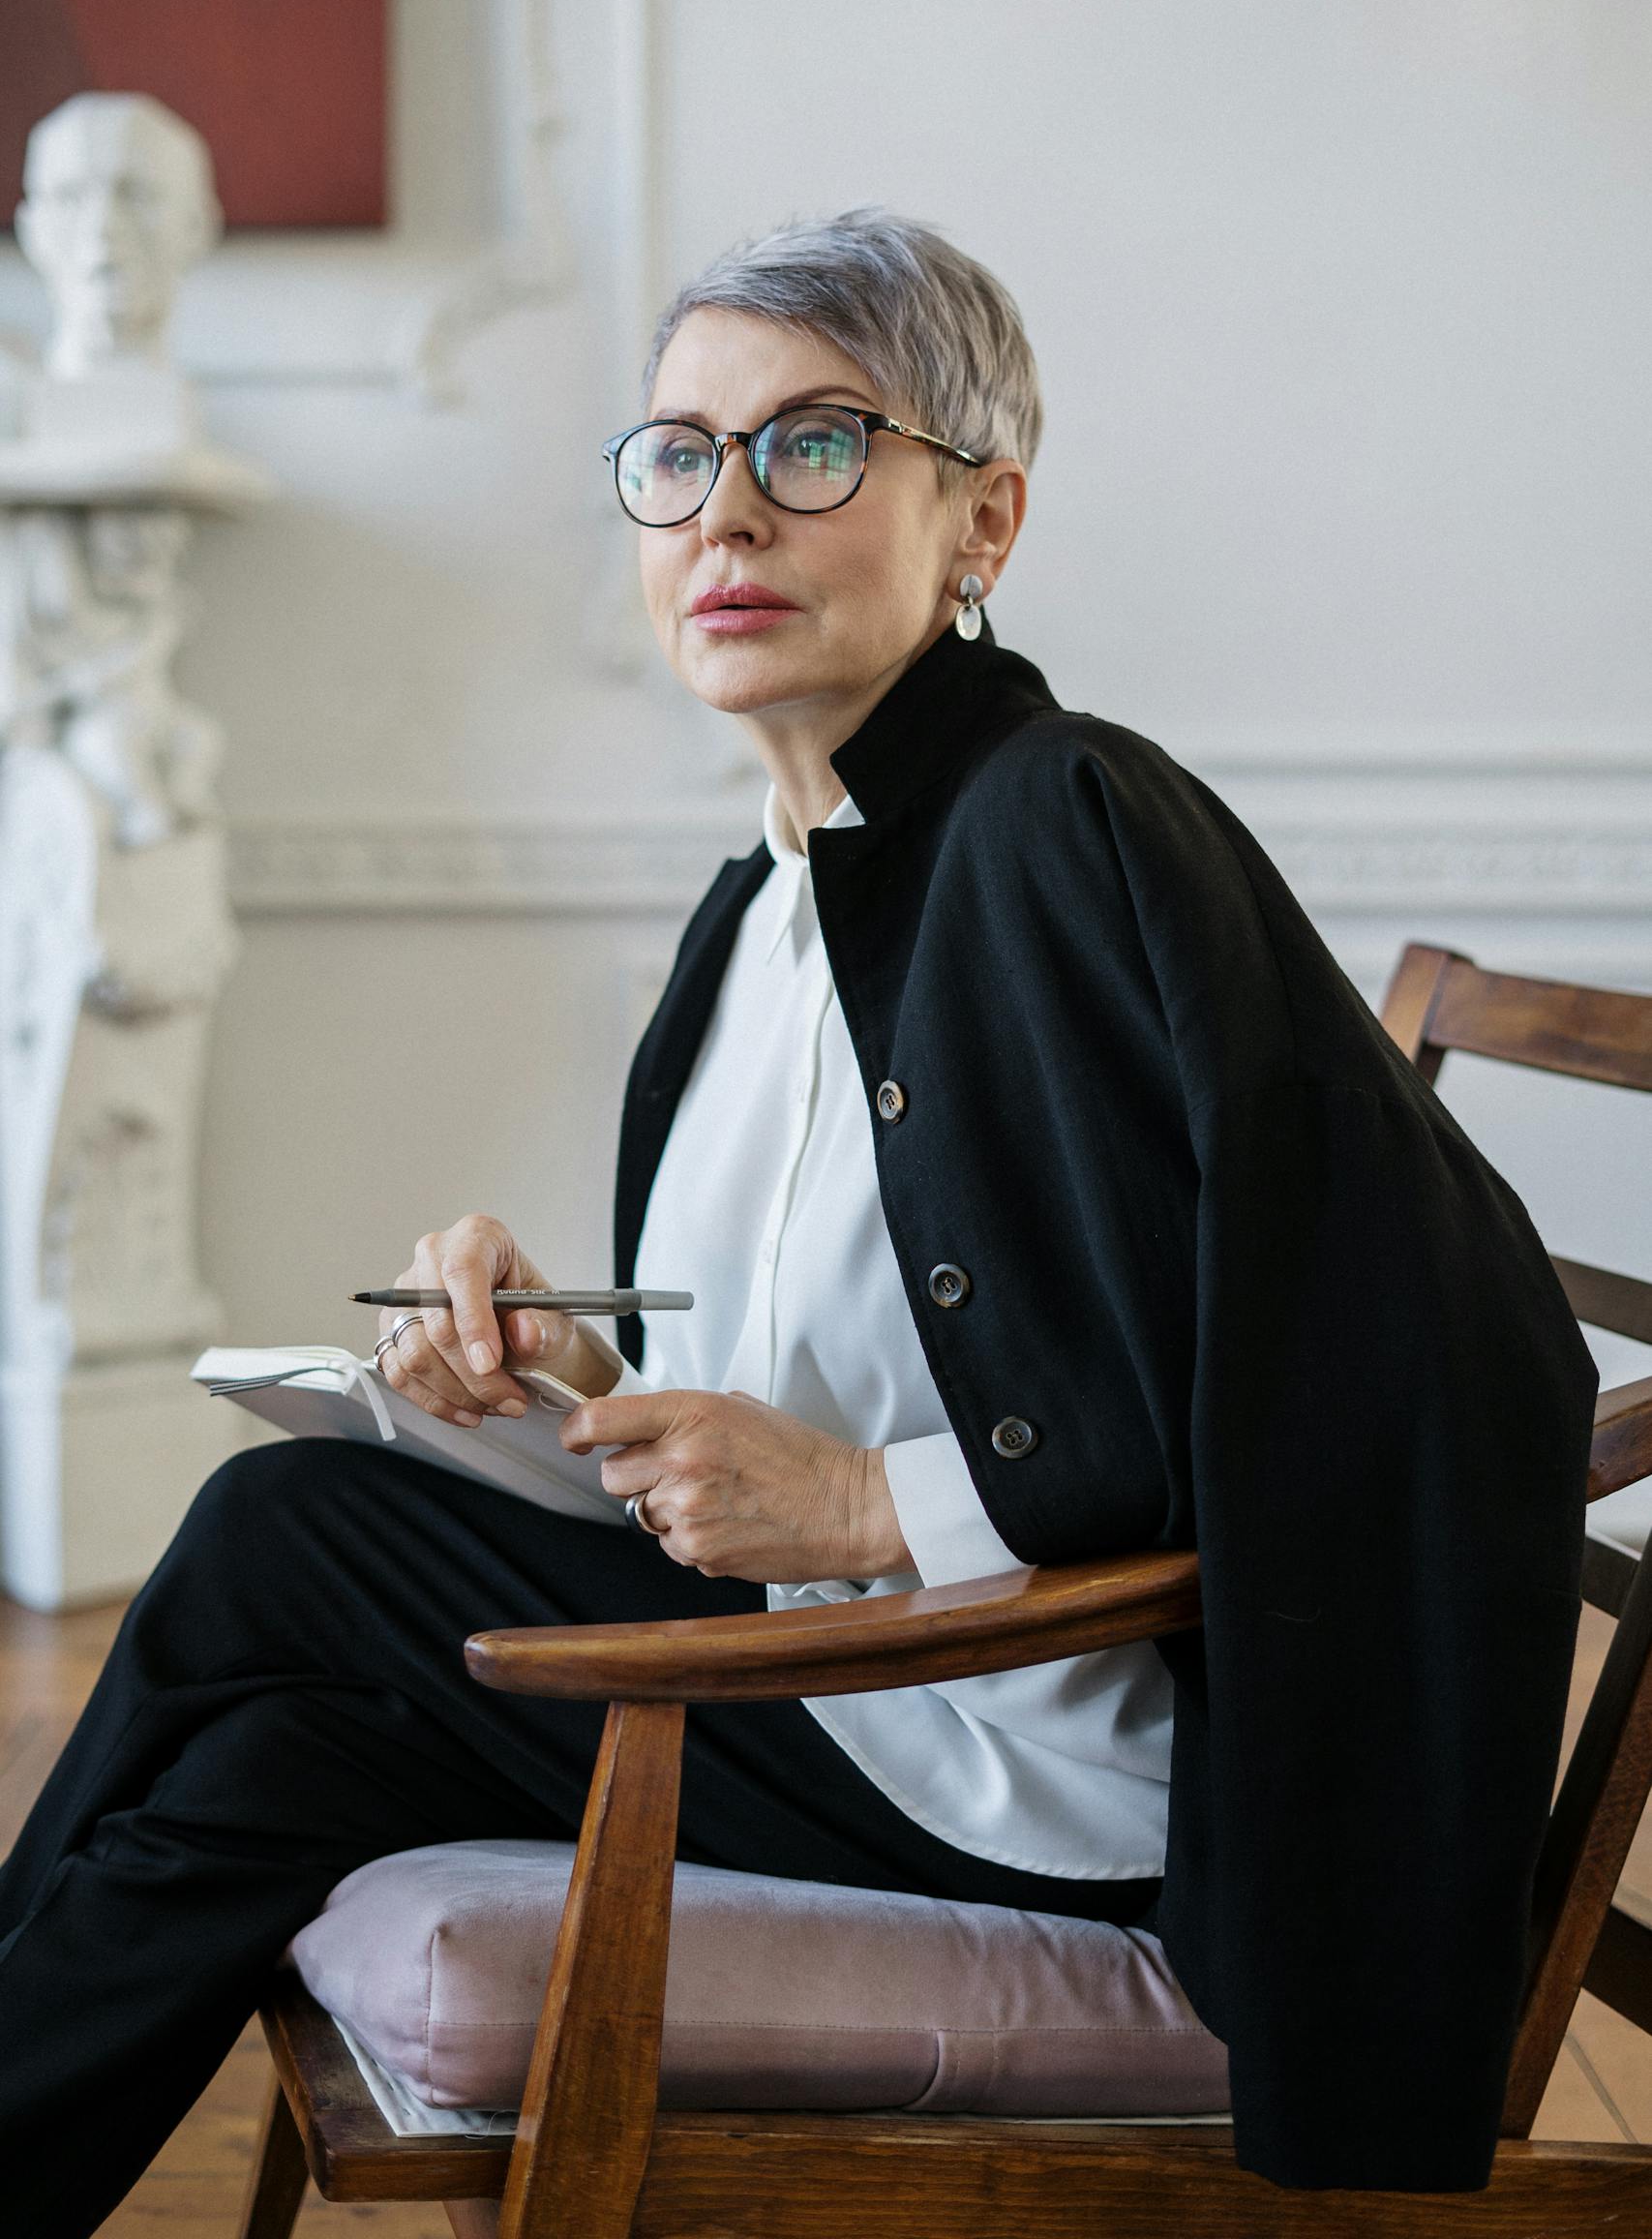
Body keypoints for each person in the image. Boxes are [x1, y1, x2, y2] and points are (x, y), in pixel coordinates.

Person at [0, 209, 1598, 2229]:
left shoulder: (1055, 817)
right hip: (835, 1683)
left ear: (981, 520)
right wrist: (565, 1382)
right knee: (264, 1771)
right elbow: (807, 1396)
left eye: (813, 443)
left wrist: (860, 1511)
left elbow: (1370, 1364)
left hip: (1021, 1757)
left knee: (276, 1530)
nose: (724, 510)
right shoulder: (760, 902)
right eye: (676, 454)